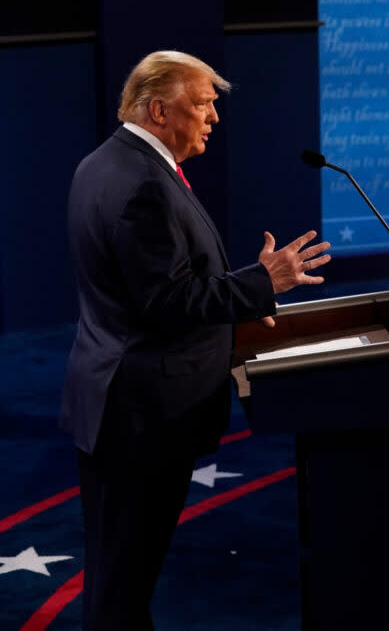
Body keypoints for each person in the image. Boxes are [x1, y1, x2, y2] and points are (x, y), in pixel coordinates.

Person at [61, 50, 331, 629]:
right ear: (159, 109)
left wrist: (245, 293)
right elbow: (167, 304)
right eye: (203, 104)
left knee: (119, 577)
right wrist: (263, 283)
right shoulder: (144, 186)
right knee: (123, 582)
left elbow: (154, 290)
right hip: (142, 416)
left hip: (117, 402)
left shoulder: (103, 163)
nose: (213, 118)